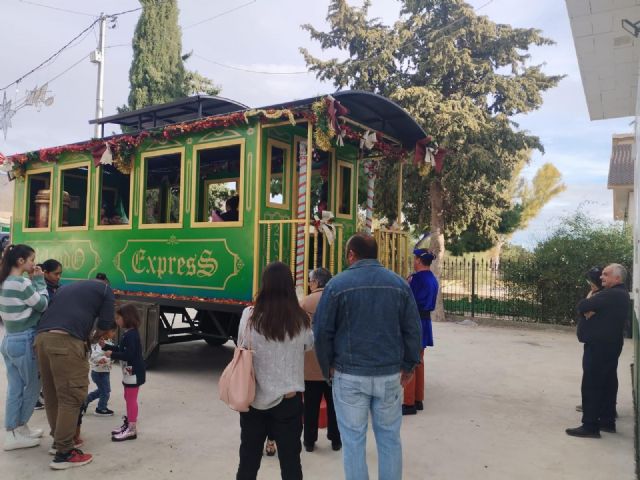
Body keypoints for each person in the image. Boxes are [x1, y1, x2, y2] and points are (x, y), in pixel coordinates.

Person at [313, 233, 422, 480]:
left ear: (352, 254)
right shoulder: (398, 284)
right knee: (390, 440)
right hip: (390, 375)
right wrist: (409, 365)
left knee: (353, 442)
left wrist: (326, 367)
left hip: (349, 375)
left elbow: (321, 332)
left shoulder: (336, 285)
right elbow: (413, 329)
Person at [236, 261, 313, 480]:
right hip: (288, 402)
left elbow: (242, 342)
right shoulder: (300, 319)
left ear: (264, 285)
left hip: (253, 400)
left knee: (248, 462)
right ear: (290, 286)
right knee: (290, 464)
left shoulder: (249, 316)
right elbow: (309, 345)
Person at [35, 279, 115, 470]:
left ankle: (59, 441)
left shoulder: (67, 288)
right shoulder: (107, 291)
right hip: (66, 341)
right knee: (71, 396)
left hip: (41, 340)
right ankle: (64, 453)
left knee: (53, 394)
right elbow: (105, 324)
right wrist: (93, 339)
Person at [566, 263, 630, 438]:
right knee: (607, 383)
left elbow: (582, 305)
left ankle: (590, 426)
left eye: (606, 274)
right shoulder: (617, 294)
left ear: (617, 278)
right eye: (602, 274)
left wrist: (589, 307)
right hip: (608, 345)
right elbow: (587, 307)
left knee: (592, 385)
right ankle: (607, 422)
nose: (601, 277)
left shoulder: (612, 294)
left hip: (600, 347)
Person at [0, 244, 48, 451]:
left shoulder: (4, 282)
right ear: (20, 261)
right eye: (31, 260)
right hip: (24, 340)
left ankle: (18, 429)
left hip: (9, 339)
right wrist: (39, 281)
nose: (33, 264)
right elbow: (43, 304)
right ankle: (14, 431)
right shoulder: (21, 283)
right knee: (34, 386)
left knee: (15, 387)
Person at [300, 267, 341, 452]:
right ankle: (336, 440)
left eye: (310, 281)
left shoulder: (304, 303)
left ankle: (309, 441)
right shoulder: (337, 300)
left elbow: (298, 335)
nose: (309, 284)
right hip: (333, 363)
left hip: (310, 364)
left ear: (316, 282)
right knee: (334, 405)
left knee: (310, 405)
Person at [402, 248, 439, 415]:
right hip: (425, 321)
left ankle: (409, 403)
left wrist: (406, 284)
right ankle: (418, 399)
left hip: (414, 321)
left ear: (418, 261)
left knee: (410, 360)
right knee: (419, 361)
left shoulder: (416, 279)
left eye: (415, 259)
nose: (413, 261)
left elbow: (407, 300)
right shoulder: (432, 278)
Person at [103, 304, 146, 442]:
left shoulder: (131, 335)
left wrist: (112, 354)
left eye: (118, 318)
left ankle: (132, 430)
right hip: (129, 373)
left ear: (127, 318)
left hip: (134, 373)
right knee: (128, 397)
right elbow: (121, 348)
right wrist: (107, 346)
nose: (116, 321)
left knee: (131, 399)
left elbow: (129, 354)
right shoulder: (128, 333)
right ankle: (129, 424)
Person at [34, 258, 63, 411]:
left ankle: (42, 394)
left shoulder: (56, 287)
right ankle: (35, 397)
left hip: (53, 330)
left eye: (60, 274)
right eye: (55, 273)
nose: (58, 277)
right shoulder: (40, 288)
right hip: (42, 331)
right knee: (39, 368)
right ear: (45, 273)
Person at [84, 330, 115, 417]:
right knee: (105, 391)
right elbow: (94, 356)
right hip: (99, 373)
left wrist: (110, 359)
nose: (114, 333)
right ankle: (101, 408)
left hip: (104, 372)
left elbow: (112, 355)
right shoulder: (97, 345)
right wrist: (101, 360)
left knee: (102, 390)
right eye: (112, 331)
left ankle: (85, 401)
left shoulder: (109, 342)